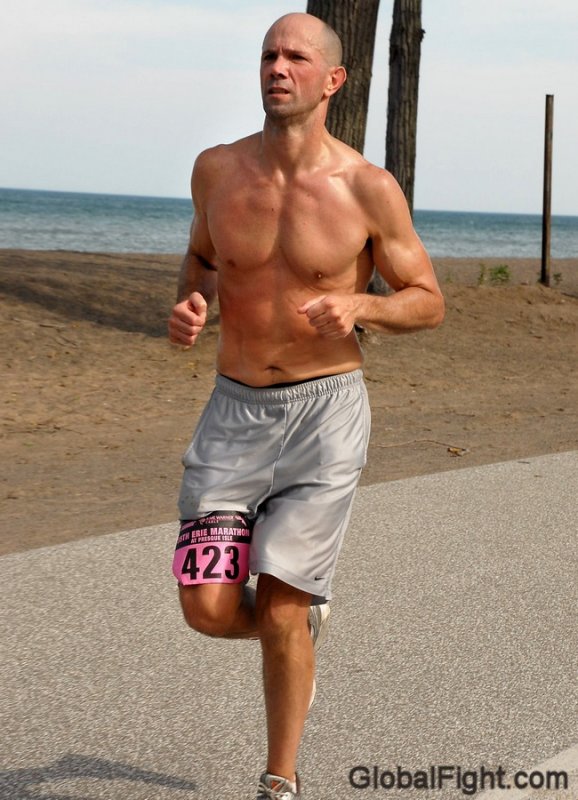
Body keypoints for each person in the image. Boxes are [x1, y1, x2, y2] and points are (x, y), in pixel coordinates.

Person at [168, 11, 444, 799]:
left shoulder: (367, 187)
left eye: (295, 56)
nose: (277, 67)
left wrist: (364, 309)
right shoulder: (216, 171)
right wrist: (192, 303)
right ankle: (298, 630)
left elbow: (427, 301)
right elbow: (200, 256)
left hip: (325, 417)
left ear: (332, 80)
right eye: (268, 54)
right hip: (231, 414)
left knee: (282, 608)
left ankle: (279, 779)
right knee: (209, 608)